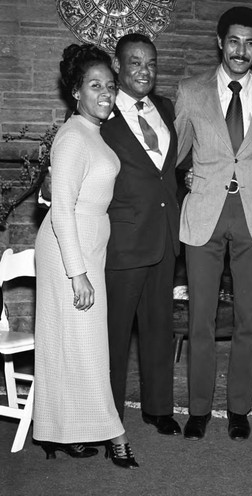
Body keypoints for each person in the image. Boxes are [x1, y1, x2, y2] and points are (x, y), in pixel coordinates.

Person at [175, 6, 252, 441]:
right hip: (203, 214)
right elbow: (175, 152)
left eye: (250, 43)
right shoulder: (191, 90)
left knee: (249, 318)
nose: (241, 51)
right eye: (234, 41)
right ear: (219, 42)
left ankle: (239, 407)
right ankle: (200, 409)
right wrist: (185, 176)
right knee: (200, 318)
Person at [33, 44, 138, 469]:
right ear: (76, 91)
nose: (106, 92)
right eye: (95, 85)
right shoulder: (73, 136)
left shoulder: (92, 132)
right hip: (67, 250)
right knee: (88, 347)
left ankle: (64, 431)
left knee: (71, 345)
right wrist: (77, 273)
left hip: (86, 245)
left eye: (110, 86)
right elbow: (61, 208)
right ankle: (116, 435)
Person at [100, 33, 181, 436]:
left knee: (158, 326)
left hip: (165, 237)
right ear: (117, 66)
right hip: (123, 241)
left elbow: (169, 172)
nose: (144, 71)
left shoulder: (165, 108)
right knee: (114, 335)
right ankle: (108, 415)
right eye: (135, 62)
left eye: (150, 63)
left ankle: (158, 407)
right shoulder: (99, 114)